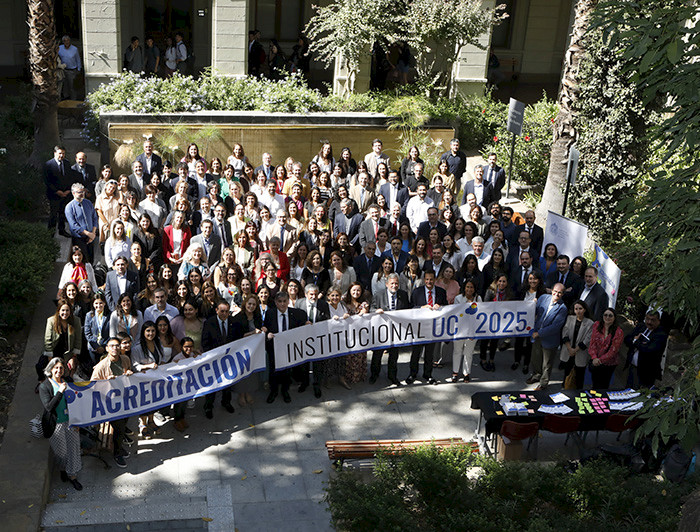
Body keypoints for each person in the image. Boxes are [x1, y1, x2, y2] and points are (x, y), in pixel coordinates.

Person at [90, 337, 134, 468]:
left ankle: (119, 446)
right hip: (110, 403)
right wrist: (105, 381)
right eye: (112, 346)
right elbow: (92, 385)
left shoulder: (125, 360)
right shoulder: (101, 366)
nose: (115, 348)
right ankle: (117, 453)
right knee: (119, 427)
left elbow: (129, 373)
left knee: (123, 424)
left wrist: (130, 373)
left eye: (117, 345)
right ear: (107, 348)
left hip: (125, 398)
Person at [39, 357, 82, 490]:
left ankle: (72, 475)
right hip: (55, 424)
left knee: (73, 448)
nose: (59, 370)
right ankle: (62, 469)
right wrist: (59, 392)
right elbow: (48, 407)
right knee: (61, 452)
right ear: (50, 369)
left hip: (70, 421)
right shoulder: (44, 386)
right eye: (56, 368)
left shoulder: (68, 381)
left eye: (61, 368)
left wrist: (78, 420)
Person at [201, 300, 244, 418]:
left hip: (229, 360)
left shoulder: (234, 322)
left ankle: (226, 402)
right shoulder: (209, 323)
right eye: (222, 311)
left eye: (226, 311)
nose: (224, 314)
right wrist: (213, 356)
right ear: (216, 310)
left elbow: (238, 340)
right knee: (213, 385)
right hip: (214, 360)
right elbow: (205, 343)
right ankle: (208, 406)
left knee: (228, 383)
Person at [263, 291, 307, 403]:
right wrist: (267, 334)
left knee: (287, 371)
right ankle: (274, 391)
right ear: (276, 302)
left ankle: (285, 391)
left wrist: (307, 324)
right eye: (279, 302)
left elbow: (303, 324)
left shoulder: (296, 313)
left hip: (289, 348)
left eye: (284, 301)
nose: (282, 304)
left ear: (288, 301)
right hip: (274, 347)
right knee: (273, 370)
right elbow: (265, 328)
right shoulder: (270, 314)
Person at [404, 271, 446, 385]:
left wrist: (441, 307)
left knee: (429, 353)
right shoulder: (417, 292)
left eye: (431, 279)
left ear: (435, 279)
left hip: (433, 328)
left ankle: (428, 375)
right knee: (416, 353)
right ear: (424, 280)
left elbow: (447, 308)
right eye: (427, 279)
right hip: (419, 327)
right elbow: (410, 308)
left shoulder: (441, 292)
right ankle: (412, 374)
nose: (429, 282)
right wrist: (421, 307)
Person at [526, 283, 568, 390]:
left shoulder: (562, 308)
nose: (556, 294)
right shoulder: (543, 298)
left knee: (547, 364)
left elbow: (555, 327)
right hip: (536, 336)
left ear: (563, 294)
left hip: (549, 339)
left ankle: (543, 383)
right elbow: (534, 312)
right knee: (535, 358)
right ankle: (536, 375)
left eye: (560, 293)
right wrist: (532, 304)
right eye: (555, 291)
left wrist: (539, 333)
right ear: (551, 290)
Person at [369, 273, 408, 385]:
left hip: (396, 330)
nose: (394, 286)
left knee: (394, 355)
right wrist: (376, 311)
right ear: (387, 284)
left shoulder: (403, 295)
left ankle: (392, 376)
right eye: (392, 283)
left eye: (396, 283)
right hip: (381, 330)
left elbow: (407, 311)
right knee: (377, 354)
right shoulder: (378, 295)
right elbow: (372, 308)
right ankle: (374, 375)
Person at [130, 321, 166, 438]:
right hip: (143, 380)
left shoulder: (158, 343)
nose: (151, 333)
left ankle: (151, 421)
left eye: (153, 331)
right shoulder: (137, 347)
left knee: (154, 401)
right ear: (143, 332)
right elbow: (134, 365)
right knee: (144, 402)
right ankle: (143, 424)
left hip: (155, 379)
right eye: (148, 331)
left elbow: (161, 358)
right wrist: (148, 366)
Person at [294, 284, 330, 398]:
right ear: (305, 294)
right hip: (303, 338)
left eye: (315, 294)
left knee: (317, 363)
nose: (313, 297)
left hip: (318, 338)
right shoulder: (299, 304)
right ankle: (304, 383)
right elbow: (295, 320)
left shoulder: (323, 305)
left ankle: (316, 385)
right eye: (311, 294)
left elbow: (327, 321)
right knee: (304, 362)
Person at [624, 309, 668, 388]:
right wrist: (636, 341)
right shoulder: (641, 326)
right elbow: (627, 339)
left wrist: (635, 341)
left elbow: (648, 350)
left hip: (647, 373)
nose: (649, 322)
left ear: (658, 321)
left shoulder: (661, 335)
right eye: (647, 319)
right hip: (632, 367)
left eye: (653, 320)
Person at [451, 280, 482, 383]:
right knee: (457, 351)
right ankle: (455, 372)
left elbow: (480, 314)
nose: (469, 289)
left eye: (471, 287)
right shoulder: (458, 298)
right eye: (467, 287)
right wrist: (466, 306)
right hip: (459, 329)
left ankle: (466, 373)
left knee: (468, 352)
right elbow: (456, 313)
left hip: (472, 329)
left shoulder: (478, 298)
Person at [560, 300, 594, 389]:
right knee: (567, 374)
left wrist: (575, 350)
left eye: (580, 309)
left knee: (579, 376)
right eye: (576, 309)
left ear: (585, 309)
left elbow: (587, 339)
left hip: (580, 352)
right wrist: (569, 349)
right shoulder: (569, 318)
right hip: (568, 351)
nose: (578, 311)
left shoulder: (590, 323)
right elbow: (565, 333)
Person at [44, 145, 73, 237]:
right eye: (60, 153)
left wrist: (68, 190)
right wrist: (57, 191)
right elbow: (47, 181)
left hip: (65, 194)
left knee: (62, 213)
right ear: (55, 153)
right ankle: (50, 232)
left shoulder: (67, 163)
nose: (61, 155)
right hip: (54, 194)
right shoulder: (48, 164)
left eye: (63, 153)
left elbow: (69, 178)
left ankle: (62, 230)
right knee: (53, 214)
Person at [84, 293, 110, 367]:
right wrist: (96, 346)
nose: (98, 306)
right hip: (93, 347)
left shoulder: (109, 315)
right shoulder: (89, 315)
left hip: (106, 347)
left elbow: (112, 332)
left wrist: (104, 346)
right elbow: (87, 332)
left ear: (104, 303)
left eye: (101, 303)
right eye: (96, 303)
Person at [58, 36, 81, 100]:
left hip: (72, 71)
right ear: (63, 42)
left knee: (72, 87)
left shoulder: (74, 49)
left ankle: (74, 100)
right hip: (63, 70)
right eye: (65, 41)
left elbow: (78, 59)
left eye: (68, 40)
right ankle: (66, 99)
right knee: (64, 86)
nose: (66, 42)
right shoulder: (60, 48)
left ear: (70, 41)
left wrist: (79, 69)